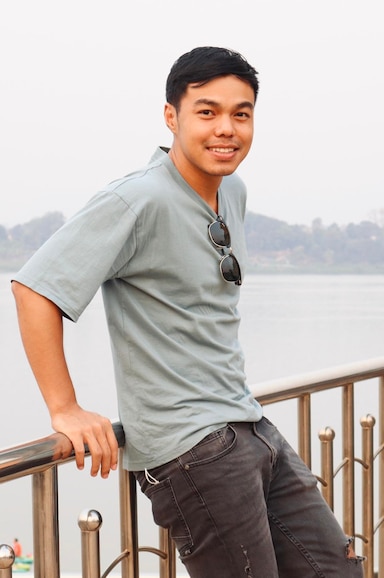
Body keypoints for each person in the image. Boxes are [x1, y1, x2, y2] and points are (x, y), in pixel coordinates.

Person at [12, 46, 364, 577]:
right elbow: (34, 288)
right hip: (191, 449)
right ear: (171, 117)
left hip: (249, 425)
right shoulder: (138, 199)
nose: (226, 128)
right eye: (207, 111)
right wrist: (65, 408)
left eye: (240, 114)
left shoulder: (233, 190)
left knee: (336, 569)